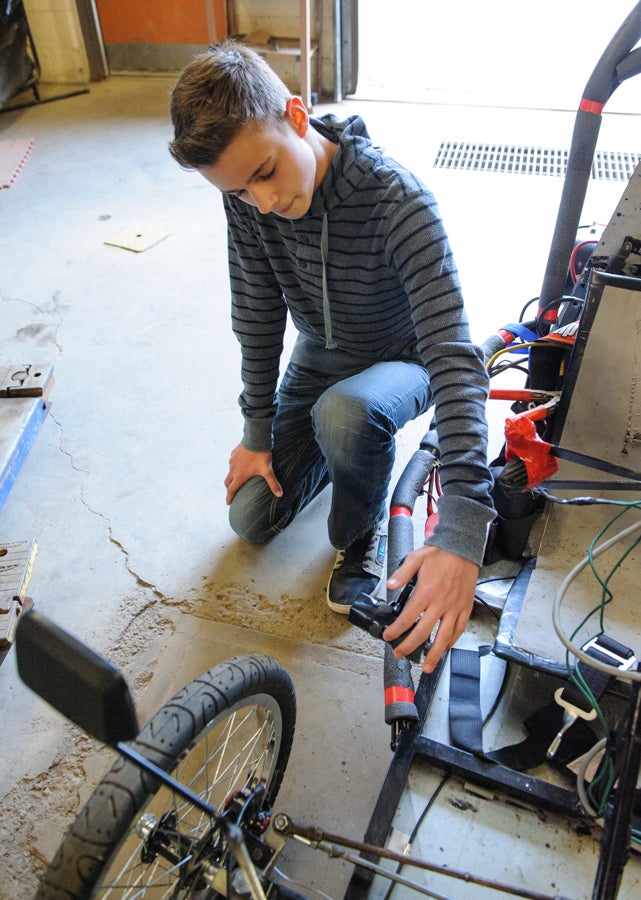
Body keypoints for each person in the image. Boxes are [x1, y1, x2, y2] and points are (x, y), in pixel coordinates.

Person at [168, 40, 496, 673]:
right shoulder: (248, 201)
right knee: (251, 518)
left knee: (348, 412)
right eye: (239, 191)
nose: (261, 202)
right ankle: (346, 444)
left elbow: (454, 357)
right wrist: (256, 434)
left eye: (264, 173)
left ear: (296, 116)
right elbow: (258, 318)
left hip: (406, 358)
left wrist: (462, 523)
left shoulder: (398, 201)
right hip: (323, 355)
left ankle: (358, 535)